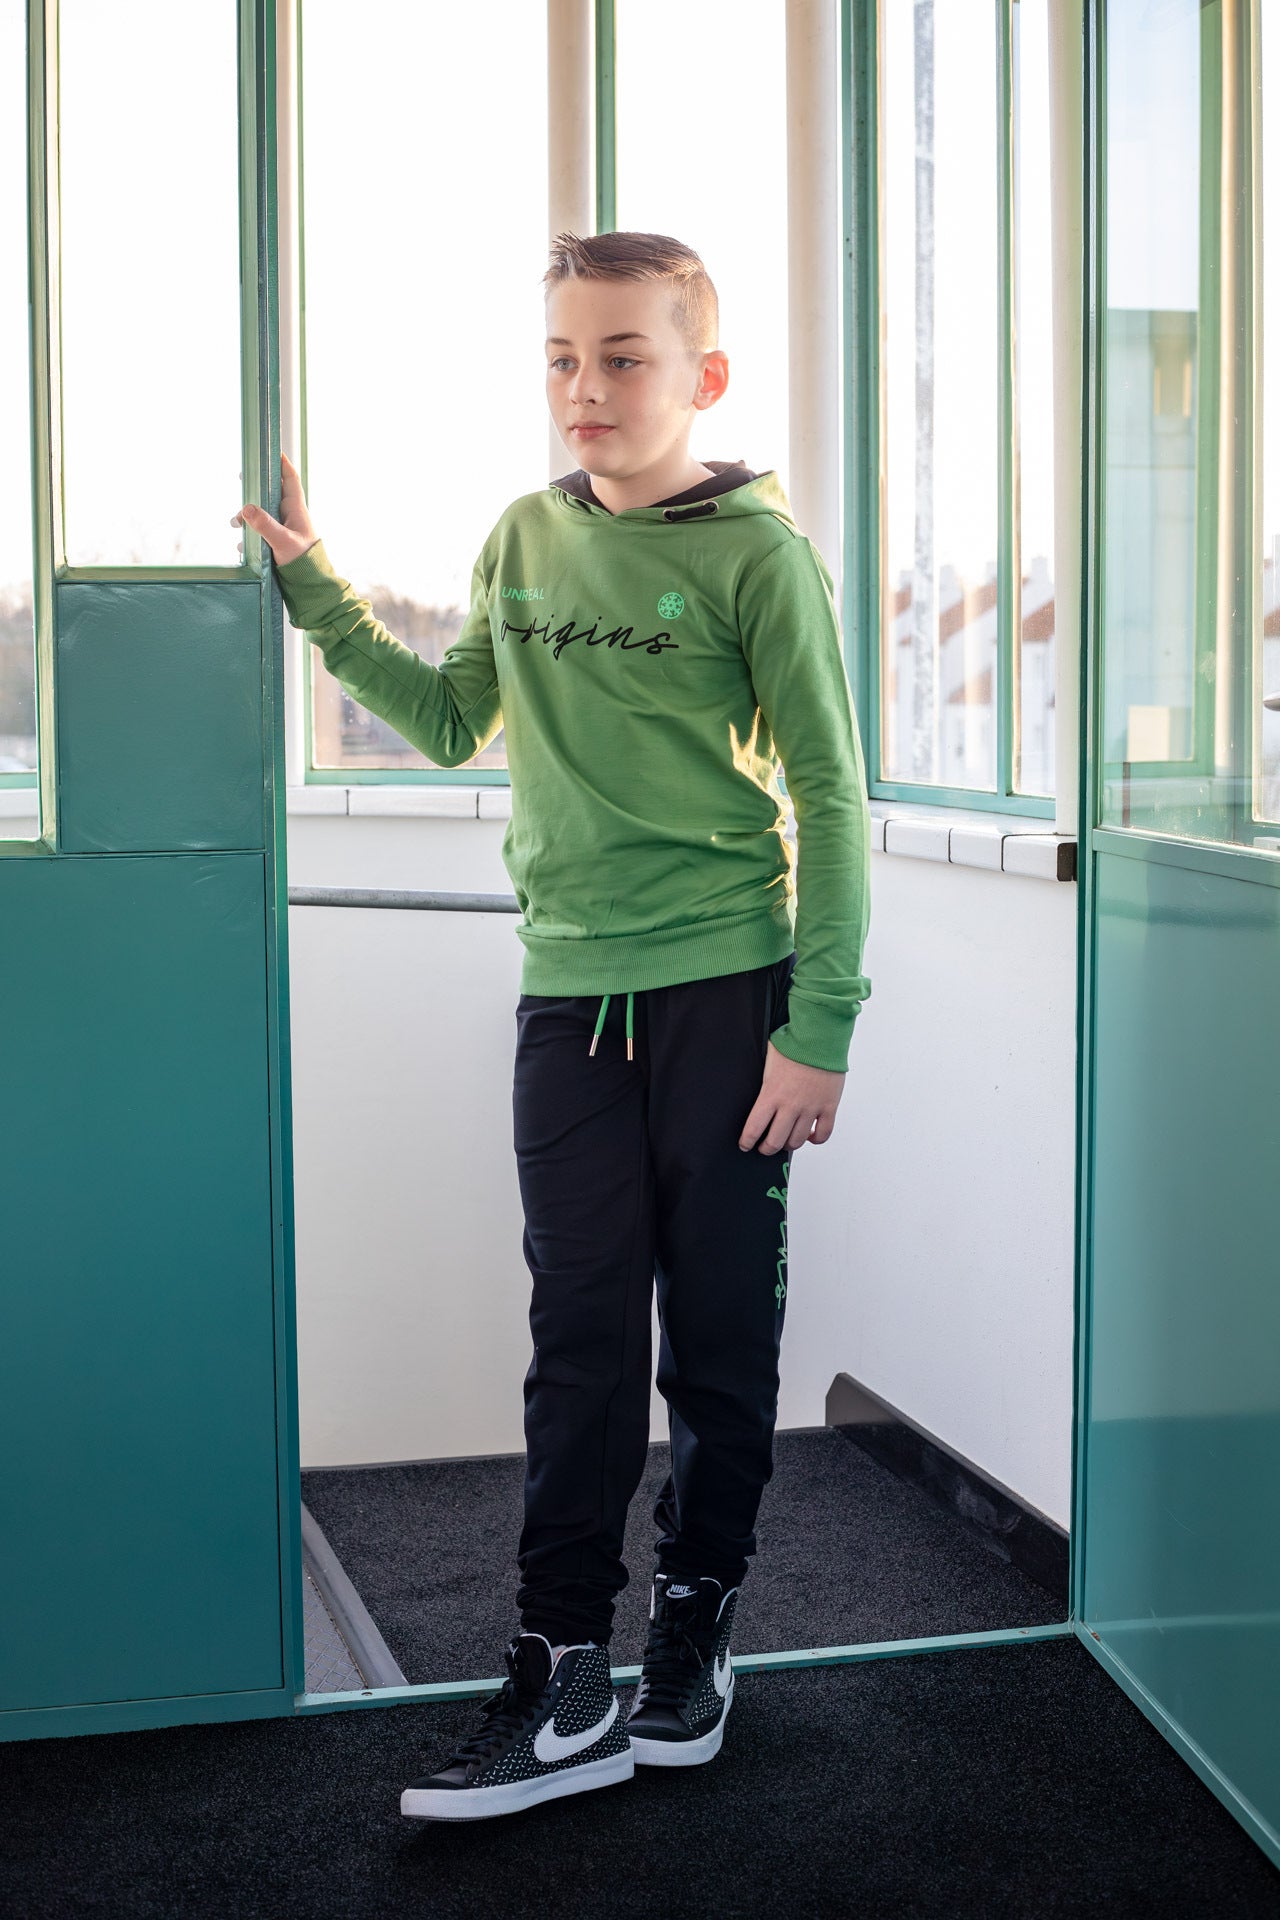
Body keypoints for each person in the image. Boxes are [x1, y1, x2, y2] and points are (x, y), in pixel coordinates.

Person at [235, 230, 871, 1823]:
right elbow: (456, 720)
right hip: (569, 1003)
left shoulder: (759, 556)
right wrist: (318, 593)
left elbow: (833, 795)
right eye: (563, 359)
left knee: (717, 1339)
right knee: (579, 1340)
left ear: (703, 376)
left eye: (623, 357)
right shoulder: (523, 535)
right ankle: (565, 1667)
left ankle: (695, 1624)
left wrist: (821, 1027)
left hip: (729, 999)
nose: (586, 388)